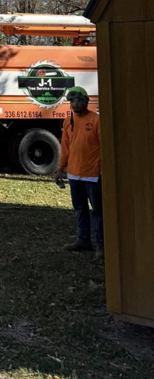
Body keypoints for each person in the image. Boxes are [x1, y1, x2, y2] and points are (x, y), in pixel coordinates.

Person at [55, 86, 104, 260]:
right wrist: (61, 168)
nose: (75, 104)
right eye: (72, 101)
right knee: (80, 208)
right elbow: (65, 147)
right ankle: (83, 240)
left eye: (78, 100)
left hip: (93, 174)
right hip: (74, 174)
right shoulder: (69, 121)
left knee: (98, 210)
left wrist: (101, 169)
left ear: (86, 101)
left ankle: (101, 245)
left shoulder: (97, 120)